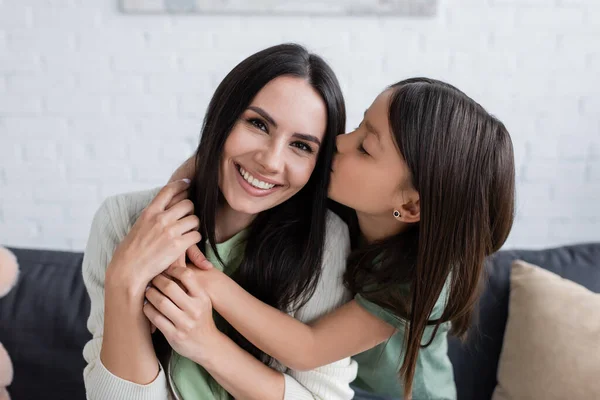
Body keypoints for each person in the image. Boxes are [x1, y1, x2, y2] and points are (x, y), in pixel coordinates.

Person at [166, 77, 516, 400]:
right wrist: (175, 196)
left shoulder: (424, 276)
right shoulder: (348, 194)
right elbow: (209, 162)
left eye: (364, 147)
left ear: (409, 205)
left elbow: (308, 348)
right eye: (359, 126)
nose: (339, 141)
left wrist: (210, 284)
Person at [81, 43, 358, 400]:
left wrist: (205, 344)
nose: (271, 162)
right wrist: (124, 282)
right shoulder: (123, 220)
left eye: (301, 146)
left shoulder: (324, 242)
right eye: (258, 124)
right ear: (222, 118)